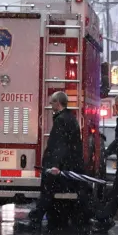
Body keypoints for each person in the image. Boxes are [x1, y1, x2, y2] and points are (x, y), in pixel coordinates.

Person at [33, 91, 86, 227]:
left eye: (52, 102)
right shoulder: (70, 118)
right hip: (69, 164)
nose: (50, 105)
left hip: (62, 165)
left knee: (47, 190)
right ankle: (37, 218)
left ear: (58, 103)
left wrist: (55, 165)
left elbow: (60, 145)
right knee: (54, 191)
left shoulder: (61, 120)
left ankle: (35, 219)